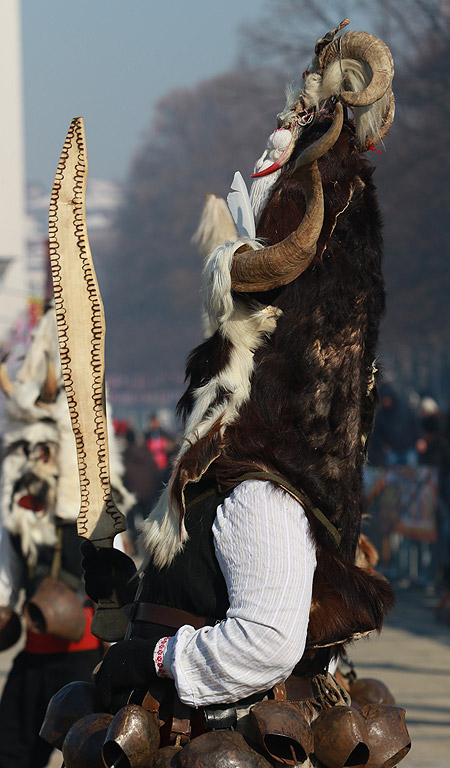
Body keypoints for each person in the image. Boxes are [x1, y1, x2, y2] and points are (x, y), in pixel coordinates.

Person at [65, 21, 408, 767]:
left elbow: (244, 622)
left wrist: (144, 635)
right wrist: (114, 571)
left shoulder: (258, 492)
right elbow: (230, 613)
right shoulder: (234, 481)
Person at [0, 302, 133, 768]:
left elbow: (120, 573)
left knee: (86, 757)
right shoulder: (20, 499)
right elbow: (8, 569)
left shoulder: (94, 498)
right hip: (33, 655)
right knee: (12, 753)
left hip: (82, 659)